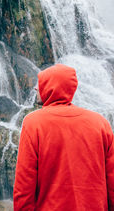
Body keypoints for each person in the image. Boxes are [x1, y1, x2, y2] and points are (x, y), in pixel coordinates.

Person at [13, 64, 114, 210]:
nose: (35, 88)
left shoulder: (34, 123)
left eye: (40, 82)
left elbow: (24, 186)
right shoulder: (100, 123)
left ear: (51, 86)